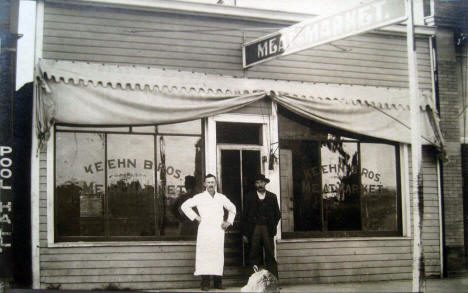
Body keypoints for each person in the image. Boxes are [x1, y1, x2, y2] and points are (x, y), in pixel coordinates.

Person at [181, 174, 236, 291]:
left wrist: (228, 222)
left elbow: (233, 208)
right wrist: (196, 217)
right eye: (208, 182)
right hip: (205, 229)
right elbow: (185, 206)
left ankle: (217, 282)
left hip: (218, 230)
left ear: (215, 184)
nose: (211, 184)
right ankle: (205, 283)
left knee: (217, 255)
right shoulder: (199, 197)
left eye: (212, 182)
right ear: (204, 184)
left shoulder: (221, 197)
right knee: (204, 255)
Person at [241, 174, 281, 279]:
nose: (260, 185)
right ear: (255, 184)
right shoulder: (249, 197)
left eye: (262, 182)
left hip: (267, 229)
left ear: (265, 183)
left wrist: (272, 227)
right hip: (254, 230)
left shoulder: (272, 197)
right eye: (258, 182)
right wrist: (245, 233)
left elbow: (277, 214)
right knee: (254, 254)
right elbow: (244, 216)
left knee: (270, 254)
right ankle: (253, 280)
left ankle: (274, 280)